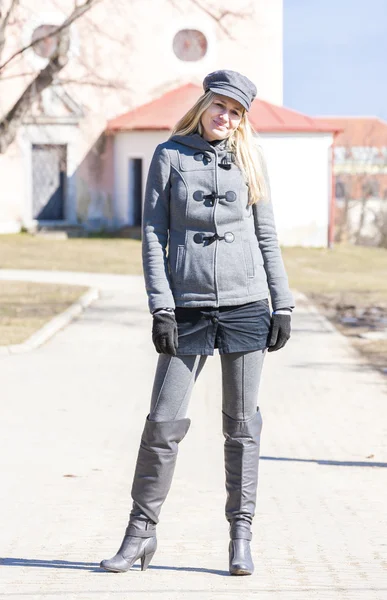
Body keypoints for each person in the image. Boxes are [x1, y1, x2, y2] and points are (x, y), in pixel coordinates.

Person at [100, 70, 294, 576]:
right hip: (185, 306)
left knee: (242, 427)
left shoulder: (251, 158)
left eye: (235, 112)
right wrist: (160, 307)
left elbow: (268, 236)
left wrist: (284, 304)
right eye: (219, 106)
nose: (224, 117)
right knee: (162, 424)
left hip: (247, 304)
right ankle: (139, 534)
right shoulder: (169, 156)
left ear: (241, 118)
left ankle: (240, 537)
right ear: (204, 104)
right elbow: (152, 237)